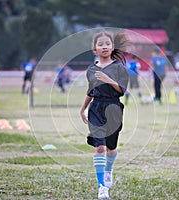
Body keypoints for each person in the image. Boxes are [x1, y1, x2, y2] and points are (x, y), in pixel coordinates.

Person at [80, 31, 129, 199]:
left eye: (107, 43)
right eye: (100, 44)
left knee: (111, 148)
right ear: (95, 49)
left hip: (114, 107)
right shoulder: (91, 69)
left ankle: (109, 169)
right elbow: (91, 90)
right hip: (96, 108)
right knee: (99, 147)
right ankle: (102, 187)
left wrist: (108, 79)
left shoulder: (119, 68)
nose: (104, 46)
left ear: (112, 46)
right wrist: (83, 108)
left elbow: (122, 90)